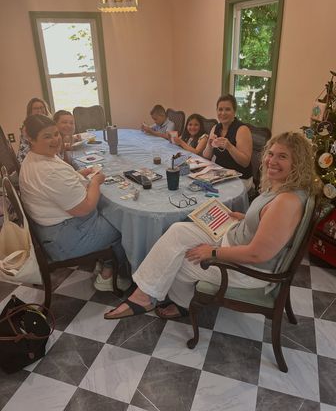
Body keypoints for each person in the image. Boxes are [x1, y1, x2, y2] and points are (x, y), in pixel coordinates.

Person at [104, 132, 321, 319]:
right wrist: (244, 217)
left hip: (247, 270)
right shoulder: (284, 188)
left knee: (180, 258)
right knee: (178, 231)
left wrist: (213, 252)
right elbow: (269, 224)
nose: (272, 160)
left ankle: (180, 304)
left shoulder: (287, 202)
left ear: (298, 163)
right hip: (234, 238)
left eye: (282, 156)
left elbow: (257, 255)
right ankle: (145, 294)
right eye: (271, 154)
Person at [19, 115, 129, 292]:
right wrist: (95, 182)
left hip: (52, 230)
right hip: (65, 240)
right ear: (31, 139)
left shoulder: (35, 158)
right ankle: (117, 274)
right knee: (124, 223)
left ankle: (105, 262)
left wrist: (81, 174)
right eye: (47, 136)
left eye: (56, 134)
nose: (55, 140)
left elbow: (62, 185)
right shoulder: (48, 172)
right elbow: (85, 208)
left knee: (109, 211)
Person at [203, 94, 253, 190]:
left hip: (240, 178)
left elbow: (245, 162)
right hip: (221, 174)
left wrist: (230, 147)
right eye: (220, 109)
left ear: (234, 112)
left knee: (214, 194)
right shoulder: (216, 127)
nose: (223, 113)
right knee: (200, 186)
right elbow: (206, 156)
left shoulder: (242, 129)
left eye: (227, 109)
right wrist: (209, 144)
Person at [17, 97, 52, 164]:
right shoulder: (29, 126)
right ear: (30, 112)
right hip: (27, 161)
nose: (39, 110)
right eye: (36, 108)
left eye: (42, 107)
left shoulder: (45, 124)